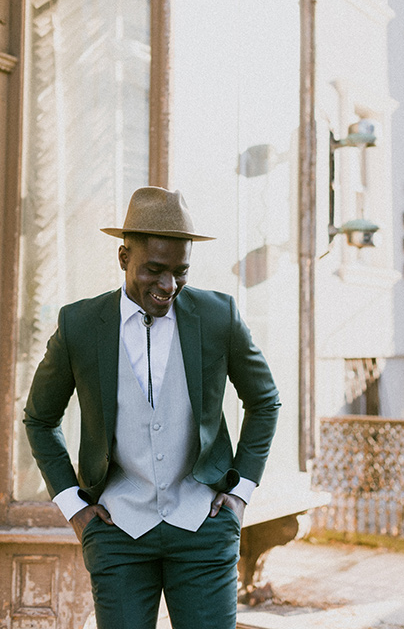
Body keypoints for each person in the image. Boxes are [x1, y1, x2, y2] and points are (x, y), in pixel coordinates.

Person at [24, 186, 280, 629]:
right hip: (117, 531)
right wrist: (74, 506)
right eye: (154, 270)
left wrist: (240, 495)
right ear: (124, 258)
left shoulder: (219, 316)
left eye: (180, 272)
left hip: (204, 526)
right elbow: (40, 419)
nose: (168, 286)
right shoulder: (80, 325)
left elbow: (265, 401)